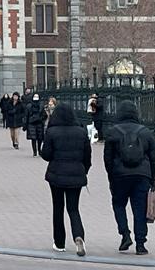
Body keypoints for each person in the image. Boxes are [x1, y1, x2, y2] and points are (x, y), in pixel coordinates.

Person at [105, 99, 155, 255]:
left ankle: (125, 234)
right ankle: (141, 244)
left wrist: (111, 175)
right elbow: (154, 158)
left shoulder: (113, 132)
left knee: (118, 204)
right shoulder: (145, 132)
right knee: (140, 209)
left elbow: (107, 158)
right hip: (142, 175)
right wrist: (153, 178)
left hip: (119, 175)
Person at [40, 103, 92, 256]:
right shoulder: (81, 132)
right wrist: (83, 171)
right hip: (76, 174)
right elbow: (87, 156)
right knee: (73, 208)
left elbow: (46, 155)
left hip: (56, 174)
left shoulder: (52, 132)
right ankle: (78, 236)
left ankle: (59, 242)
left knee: (58, 208)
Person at [25, 93, 47, 157]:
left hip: (39, 123)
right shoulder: (29, 106)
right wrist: (25, 124)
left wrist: (41, 119)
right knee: (33, 138)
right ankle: (34, 151)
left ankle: (39, 150)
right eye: (35, 96)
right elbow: (26, 115)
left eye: (37, 97)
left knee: (40, 138)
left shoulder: (41, 105)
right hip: (31, 123)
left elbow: (44, 115)